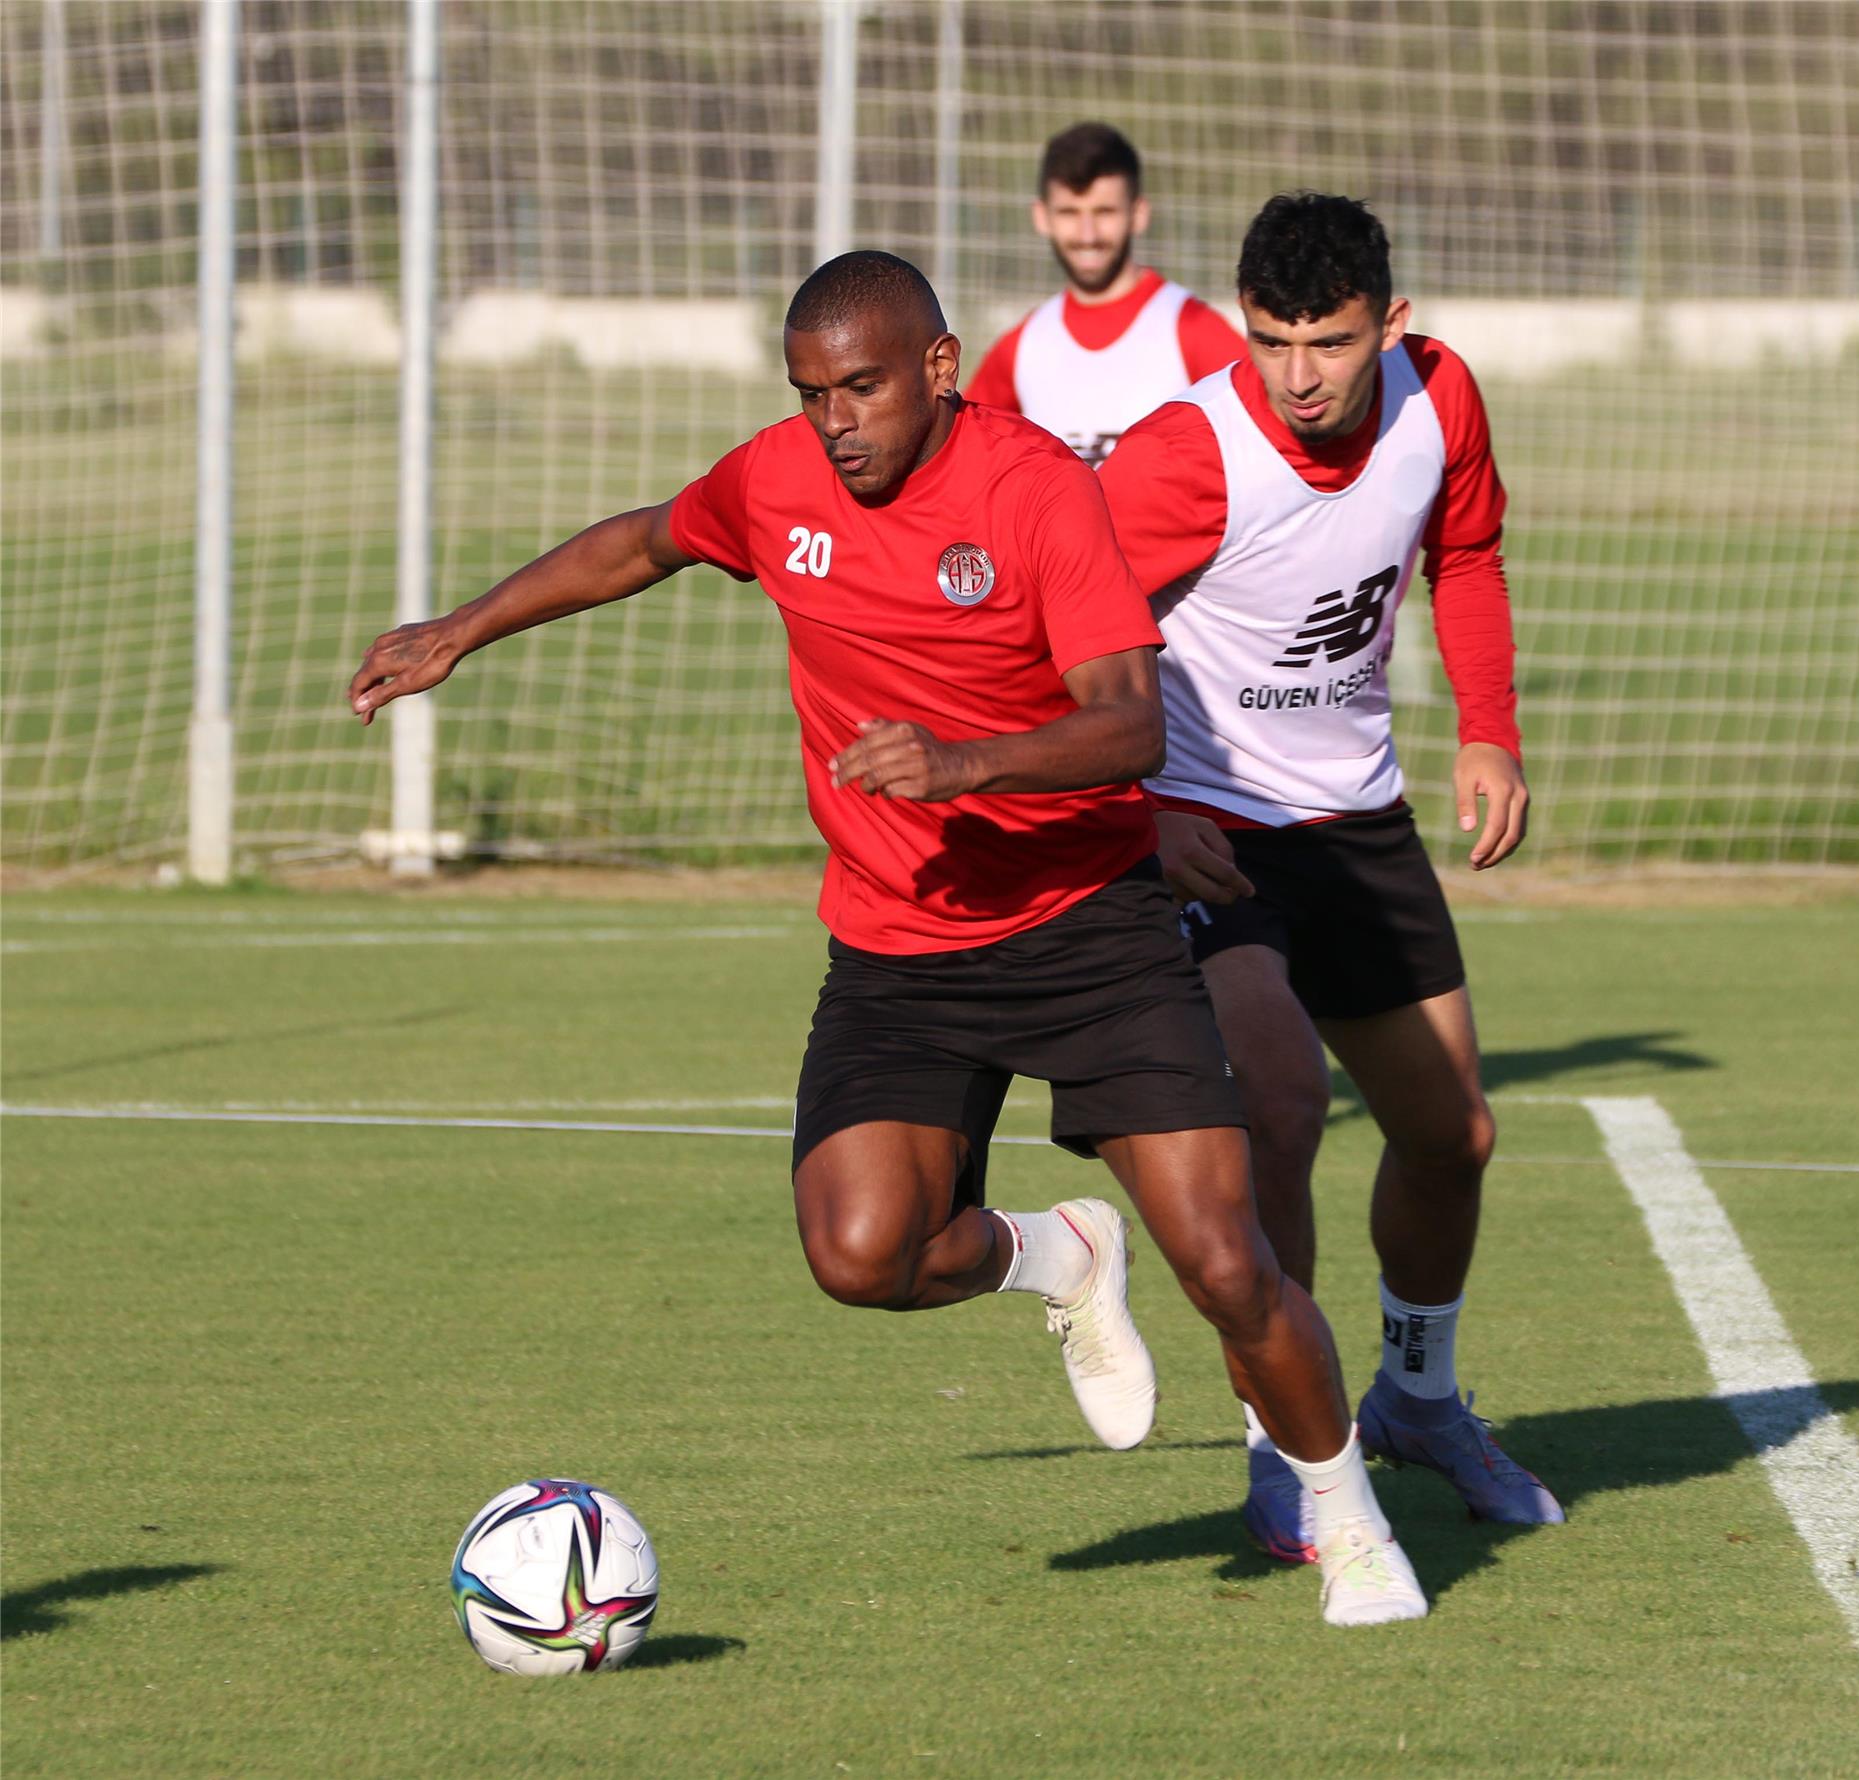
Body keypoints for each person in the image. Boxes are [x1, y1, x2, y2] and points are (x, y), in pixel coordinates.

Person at [349, 250, 1427, 1626]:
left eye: (859, 386)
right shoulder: (778, 482)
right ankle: (1060, 1258)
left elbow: (1130, 723)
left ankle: (1347, 1522)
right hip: (901, 950)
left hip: (1088, 927)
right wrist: (462, 628)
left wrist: (964, 765)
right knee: (861, 1256)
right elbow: (643, 541)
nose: (833, 420)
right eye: (810, 394)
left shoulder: (1039, 493)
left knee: (1226, 1263)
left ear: (939, 366)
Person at [1097, 195, 1563, 1565]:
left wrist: (1488, 726)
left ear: (1392, 325)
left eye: (1330, 343)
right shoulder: (1187, 454)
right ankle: (1290, 1450)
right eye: (1271, 341)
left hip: (1357, 823)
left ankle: (1416, 1401)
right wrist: (1133, 808)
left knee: (1452, 1135)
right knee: (1282, 1107)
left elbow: (1465, 554)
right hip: (1207, 826)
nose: (1297, 374)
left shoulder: (1442, 399)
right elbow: (1058, 630)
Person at [964, 121, 1244, 466]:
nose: (1088, 234)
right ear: (1042, 217)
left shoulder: (1192, 327)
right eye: (1069, 213)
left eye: (1104, 212)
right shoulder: (1020, 346)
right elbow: (967, 460)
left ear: (1138, 214)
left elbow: (1256, 446)